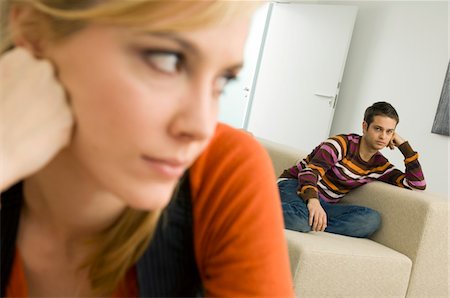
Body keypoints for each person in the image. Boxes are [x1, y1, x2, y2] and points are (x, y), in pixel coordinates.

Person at [0, 1, 294, 297]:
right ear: (33, 30)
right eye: (167, 61)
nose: (201, 127)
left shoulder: (221, 169)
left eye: (222, 81)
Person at [278, 101, 426, 238]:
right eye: (378, 129)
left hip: (325, 203)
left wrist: (404, 146)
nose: (383, 136)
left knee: (370, 220)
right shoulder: (340, 144)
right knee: (300, 221)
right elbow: (309, 173)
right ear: (364, 126)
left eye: (389, 132)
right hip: (294, 186)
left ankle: (311, 220)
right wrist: (313, 202)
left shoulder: (379, 165)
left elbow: (417, 184)